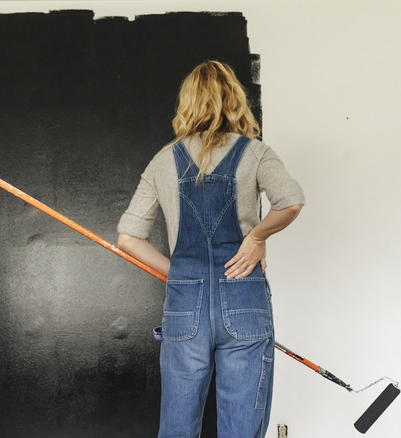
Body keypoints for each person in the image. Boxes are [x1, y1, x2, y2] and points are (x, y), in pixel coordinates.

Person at [117, 60, 304, 438]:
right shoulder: (255, 153)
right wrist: (256, 238)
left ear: (187, 103)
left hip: (185, 305)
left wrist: (180, 275)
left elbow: (128, 238)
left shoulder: (162, 162)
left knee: (177, 428)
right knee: (242, 427)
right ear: (234, 98)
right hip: (244, 297)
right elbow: (291, 201)